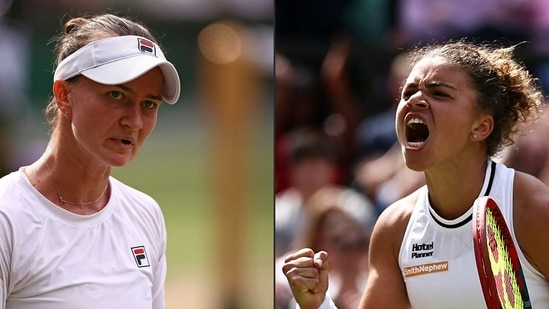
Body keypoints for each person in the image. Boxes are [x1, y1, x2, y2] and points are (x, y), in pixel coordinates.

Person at [282, 40, 549, 308]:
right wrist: (318, 304)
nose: (416, 100)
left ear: (480, 127)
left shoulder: (530, 208)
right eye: (408, 93)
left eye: (440, 94)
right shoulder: (394, 227)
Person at [0, 13, 180, 308]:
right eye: (116, 94)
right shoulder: (7, 217)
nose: (134, 121)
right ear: (63, 95)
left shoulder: (146, 214)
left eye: (149, 104)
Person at [276, 186, 374, 309]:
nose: (351, 252)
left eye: (360, 243)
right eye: (339, 241)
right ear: (317, 237)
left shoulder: (374, 285)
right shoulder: (290, 273)